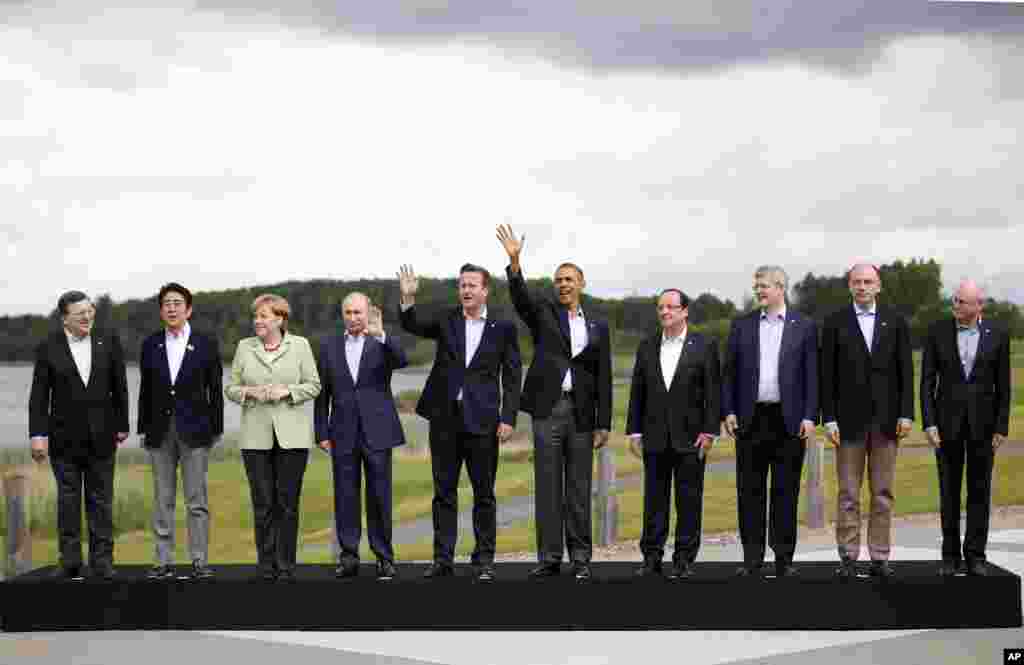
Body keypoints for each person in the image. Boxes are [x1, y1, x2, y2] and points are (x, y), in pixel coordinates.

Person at [496, 224, 612, 580]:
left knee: (578, 489)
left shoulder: (598, 325)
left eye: (569, 279)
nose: (563, 284)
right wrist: (515, 263)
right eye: (559, 280)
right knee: (548, 487)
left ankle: (581, 558)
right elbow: (520, 299)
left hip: (581, 414)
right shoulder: (544, 313)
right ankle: (549, 558)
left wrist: (603, 422)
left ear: (581, 284)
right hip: (547, 410)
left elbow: (603, 375)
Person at [397, 263, 522, 581]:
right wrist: (408, 298)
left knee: (484, 494)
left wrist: (508, 418)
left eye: (471, 285)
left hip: (483, 421)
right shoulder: (446, 319)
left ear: (485, 290)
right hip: (445, 419)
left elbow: (512, 376)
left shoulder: (503, 328)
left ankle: (484, 561)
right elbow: (412, 324)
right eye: (462, 285)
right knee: (444, 493)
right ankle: (443, 561)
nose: (465, 290)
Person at [722, 266, 818, 578]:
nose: (759, 291)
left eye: (764, 286)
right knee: (749, 492)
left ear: (780, 288)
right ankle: (752, 560)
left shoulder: (804, 326)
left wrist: (809, 415)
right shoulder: (742, 325)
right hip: (750, 420)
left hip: (789, 420)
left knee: (785, 491)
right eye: (757, 286)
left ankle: (784, 559)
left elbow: (812, 376)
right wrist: (729, 411)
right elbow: (729, 375)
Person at [28, 291, 130, 580]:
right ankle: (70, 560)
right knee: (68, 502)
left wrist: (122, 424)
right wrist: (37, 434)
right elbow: (39, 396)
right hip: (63, 439)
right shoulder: (48, 347)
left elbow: (120, 385)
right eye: (80, 313)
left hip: (102, 436)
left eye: (90, 311)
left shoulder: (108, 341)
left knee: (101, 500)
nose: (87, 317)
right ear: (64, 318)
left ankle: (102, 561)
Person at [821, 264, 914, 578]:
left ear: (878, 286)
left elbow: (905, 371)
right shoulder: (835, 322)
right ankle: (848, 556)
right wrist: (829, 417)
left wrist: (906, 412)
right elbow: (827, 375)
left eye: (868, 282)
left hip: (887, 421)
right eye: (857, 282)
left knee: (883, 493)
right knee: (848, 493)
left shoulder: (895, 321)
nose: (862, 287)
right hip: (847, 422)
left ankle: (879, 556)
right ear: (849, 286)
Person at [225, 294, 321, 582]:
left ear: (280, 319)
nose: (258, 321)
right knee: (263, 504)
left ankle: (286, 565)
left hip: (293, 439)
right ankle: (266, 566)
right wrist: (248, 393)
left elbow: (314, 385)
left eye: (264, 316)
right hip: (255, 439)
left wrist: (288, 392)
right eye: (256, 316)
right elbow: (231, 387)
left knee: (287, 504)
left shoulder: (300, 346)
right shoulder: (245, 347)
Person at [626, 288, 720, 579]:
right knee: (654, 501)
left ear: (685, 311)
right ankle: (651, 558)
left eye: (670, 307)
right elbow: (638, 391)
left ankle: (684, 560)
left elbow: (713, 392)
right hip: (654, 436)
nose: (664, 312)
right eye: (660, 307)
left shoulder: (703, 345)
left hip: (691, 437)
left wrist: (709, 431)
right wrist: (634, 431)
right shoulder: (647, 345)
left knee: (689, 501)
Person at [315, 293, 408, 581]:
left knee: (380, 496)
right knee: (345, 496)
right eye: (348, 312)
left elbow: (402, 360)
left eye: (358, 312)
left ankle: (384, 558)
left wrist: (382, 334)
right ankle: (349, 557)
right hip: (341, 431)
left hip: (378, 430)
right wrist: (321, 431)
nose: (353, 317)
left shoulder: (380, 342)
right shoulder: (329, 346)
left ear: (369, 313)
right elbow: (322, 395)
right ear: (342, 315)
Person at [921, 280, 1010, 577]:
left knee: (979, 492)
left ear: (978, 306)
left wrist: (1001, 426)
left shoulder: (998, 335)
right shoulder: (937, 332)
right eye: (955, 300)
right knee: (948, 492)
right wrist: (929, 422)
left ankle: (975, 556)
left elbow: (1004, 386)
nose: (955, 306)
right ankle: (950, 556)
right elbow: (927, 383)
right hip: (946, 427)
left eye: (962, 302)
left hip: (984, 428)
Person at [137, 282, 223, 580]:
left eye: (177, 303)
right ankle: (162, 561)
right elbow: (145, 390)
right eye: (166, 303)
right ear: (161, 310)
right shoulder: (150, 344)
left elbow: (215, 390)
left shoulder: (206, 343)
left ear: (188, 309)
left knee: (196, 500)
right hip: (159, 432)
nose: (171, 308)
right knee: (163, 500)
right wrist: (142, 428)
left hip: (196, 431)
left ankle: (199, 560)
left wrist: (216, 428)